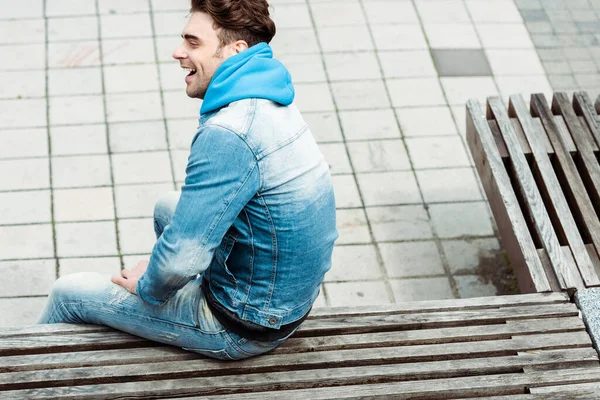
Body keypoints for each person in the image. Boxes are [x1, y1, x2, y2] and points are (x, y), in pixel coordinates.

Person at [37, 0, 338, 361]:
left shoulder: (231, 134)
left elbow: (182, 258)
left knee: (68, 293)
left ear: (234, 49)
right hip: (286, 298)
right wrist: (163, 268)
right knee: (169, 207)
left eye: (193, 43)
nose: (178, 52)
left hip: (244, 326)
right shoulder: (269, 94)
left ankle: (26, 373)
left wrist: (149, 286)